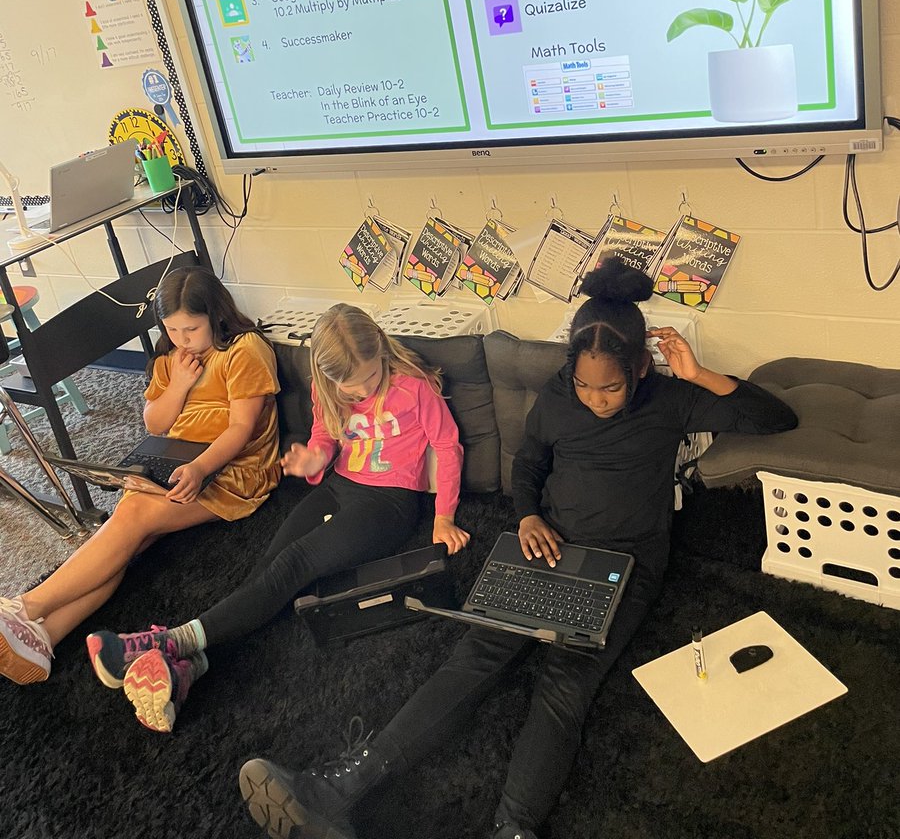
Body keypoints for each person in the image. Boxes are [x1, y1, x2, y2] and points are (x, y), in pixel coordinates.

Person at [237, 257, 798, 839]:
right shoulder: (559, 399)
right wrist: (527, 516)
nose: (595, 399)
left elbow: (774, 417)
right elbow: (529, 463)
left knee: (564, 686)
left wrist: (700, 373)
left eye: (610, 387)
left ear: (639, 367)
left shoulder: (671, 400)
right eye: (583, 383)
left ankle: (514, 829)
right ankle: (341, 790)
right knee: (475, 655)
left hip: (626, 564)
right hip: (545, 546)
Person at [87, 302, 469, 732]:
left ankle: (168, 640)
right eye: (350, 388)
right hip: (339, 486)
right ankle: (188, 668)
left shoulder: (414, 387)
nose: (361, 393)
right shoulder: (327, 389)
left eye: (370, 379)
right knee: (268, 568)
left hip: (390, 502)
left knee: (294, 565)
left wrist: (444, 516)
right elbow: (324, 440)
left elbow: (448, 449)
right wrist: (314, 461)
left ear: (380, 350)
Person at [0, 265, 281, 687]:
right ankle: (44, 635)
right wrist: (179, 384)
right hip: (175, 460)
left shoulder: (245, 350)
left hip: (230, 471)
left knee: (130, 521)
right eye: (172, 330)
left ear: (217, 315)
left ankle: (26, 607)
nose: (182, 339)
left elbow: (241, 430)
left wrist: (202, 468)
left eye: (191, 329)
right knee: (127, 534)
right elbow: (155, 424)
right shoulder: (173, 359)